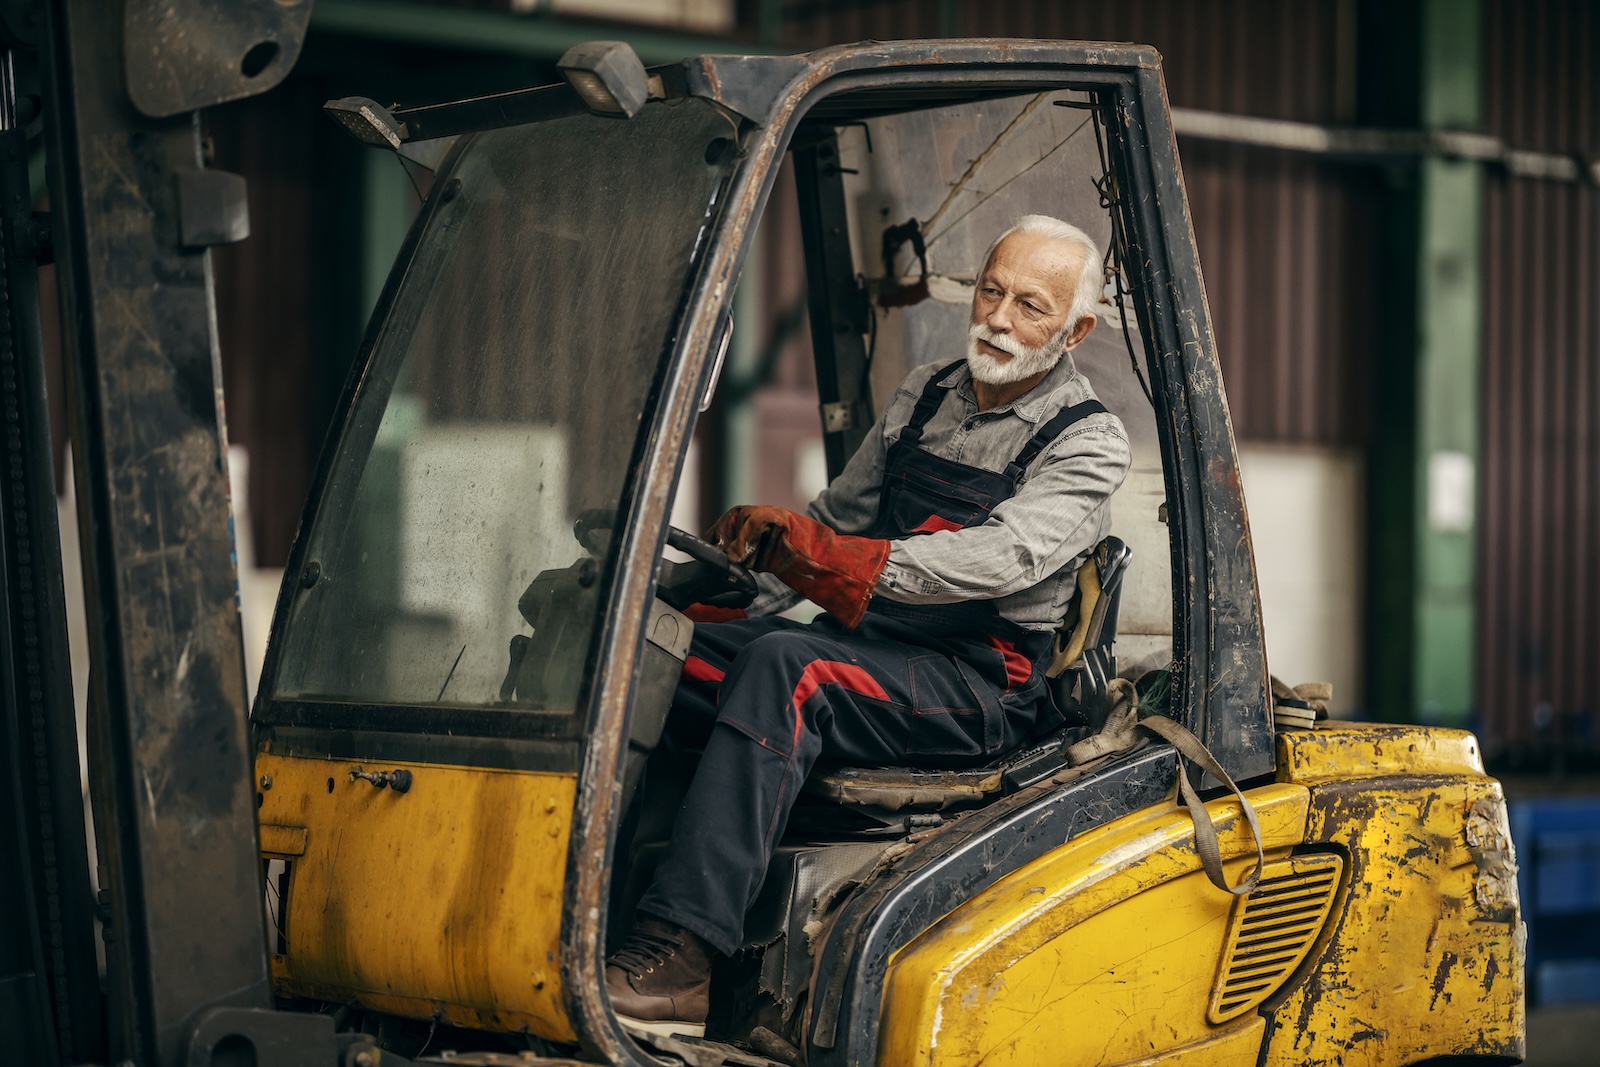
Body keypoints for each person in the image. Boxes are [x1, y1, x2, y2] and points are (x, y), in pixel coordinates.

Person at [604, 214, 1132, 1037]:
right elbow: (830, 523)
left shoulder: (1090, 441)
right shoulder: (925, 394)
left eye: (1030, 305)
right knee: (651, 657)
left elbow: (1006, 557)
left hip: (979, 684)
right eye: (992, 291)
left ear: (1076, 330)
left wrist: (846, 565)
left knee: (791, 669)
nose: (997, 317)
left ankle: (682, 956)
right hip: (874, 649)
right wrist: (732, 586)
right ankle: (597, 906)